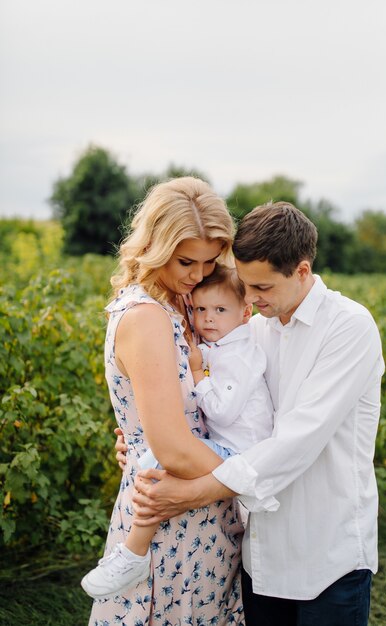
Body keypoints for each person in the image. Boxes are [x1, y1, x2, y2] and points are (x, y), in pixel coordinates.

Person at [128, 202, 384, 626]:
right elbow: (222, 414)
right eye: (245, 285)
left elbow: (298, 441)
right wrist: (147, 440)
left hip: (328, 550)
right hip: (260, 552)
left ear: (302, 271)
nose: (249, 298)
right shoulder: (253, 327)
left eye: (262, 287)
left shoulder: (349, 327)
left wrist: (194, 491)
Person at [86, 177, 245, 626]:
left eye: (210, 261)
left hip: (201, 505)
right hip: (171, 516)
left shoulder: (187, 304)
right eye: (186, 261)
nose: (198, 274)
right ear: (154, 246)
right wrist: (255, 477)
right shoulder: (146, 317)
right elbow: (172, 448)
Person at [82, 263, 274, 599]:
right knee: (155, 459)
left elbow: (221, 410)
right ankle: (132, 553)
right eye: (201, 310)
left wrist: (199, 374)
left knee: (161, 462)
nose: (207, 318)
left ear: (245, 314)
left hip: (238, 453)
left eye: (218, 310)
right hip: (216, 449)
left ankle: (133, 553)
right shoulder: (210, 334)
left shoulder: (240, 353)